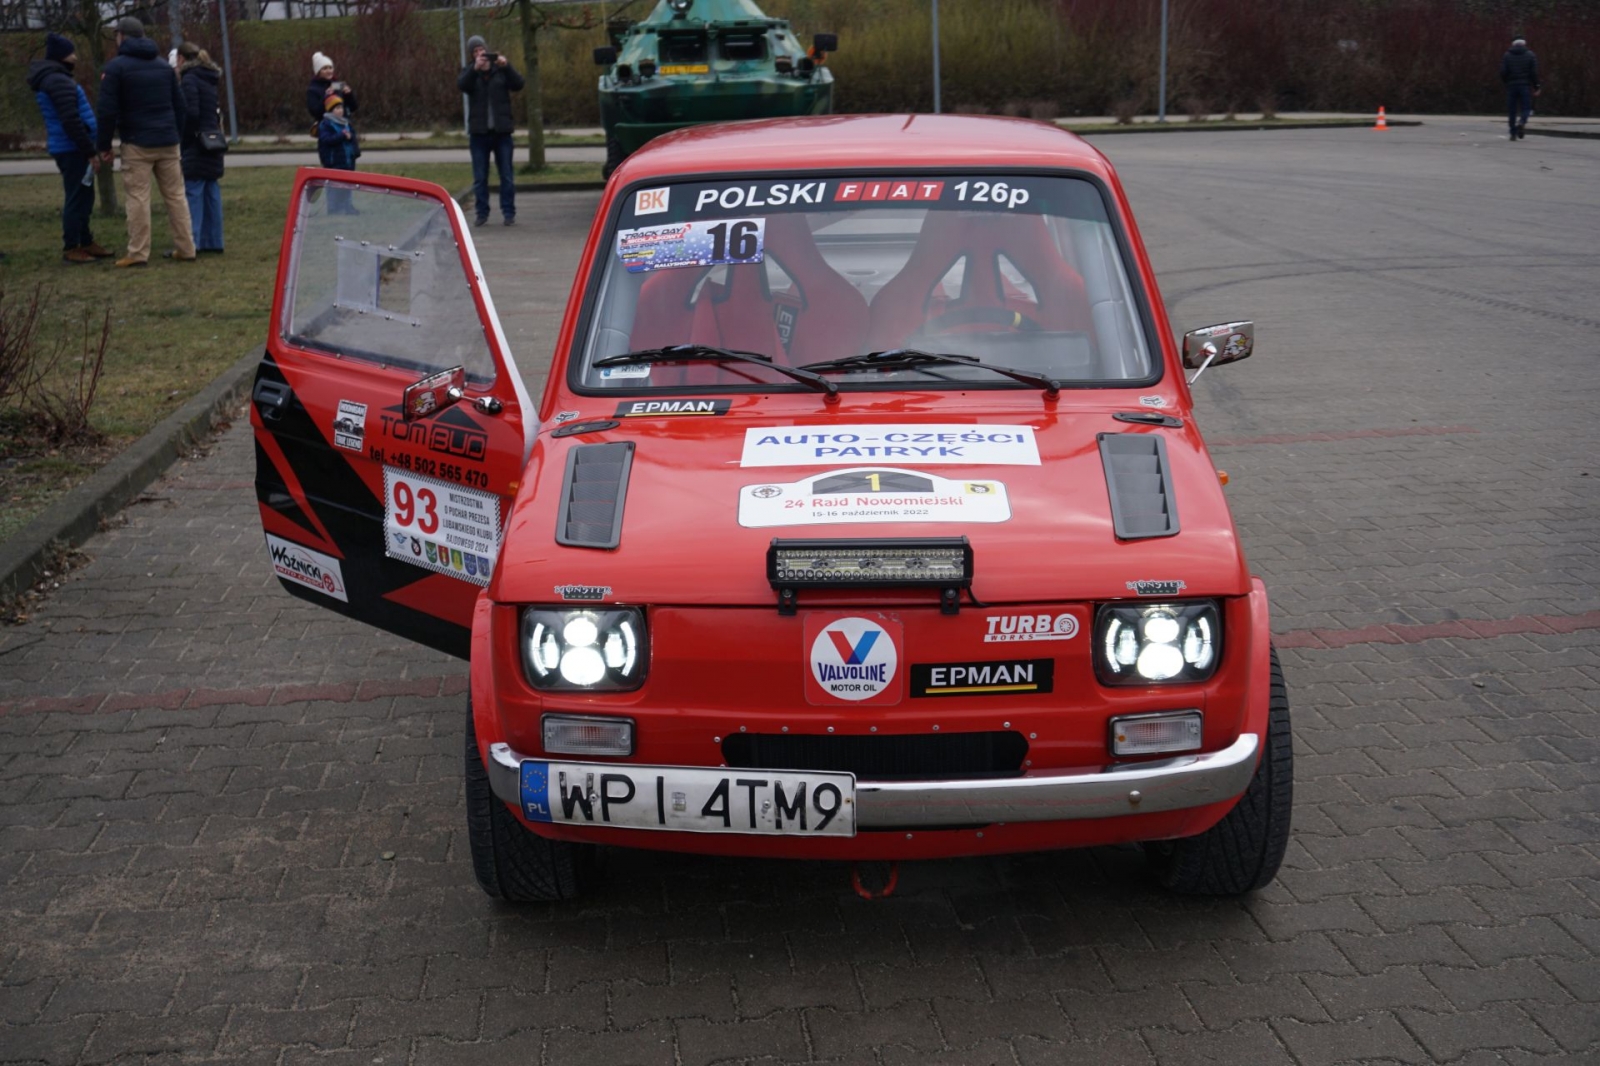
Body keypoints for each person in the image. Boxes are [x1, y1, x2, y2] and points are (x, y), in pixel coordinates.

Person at [96, 16, 195, 267]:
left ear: (122, 37)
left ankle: (138, 253)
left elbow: (107, 110)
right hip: (168, 141)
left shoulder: (115, 68)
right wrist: (176, 135)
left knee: (138, 197)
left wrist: (104, 145)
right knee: (176, 196)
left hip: (136, 142)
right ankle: (186, 248)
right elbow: (180, 106)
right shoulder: (163, 66)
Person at [27, 33, 112, 264]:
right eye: (71, 53)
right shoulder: (57, 81)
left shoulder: (56, 78)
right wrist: (89, 151)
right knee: (76, 197)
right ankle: (72, 246)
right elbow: (70, 120)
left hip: (73, 147)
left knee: (84, 196)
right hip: (72, 148)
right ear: (61, 56)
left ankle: (85, 240)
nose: (75, 57)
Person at [458, 35, 524, 227]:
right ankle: (482, 213)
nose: (480, 54)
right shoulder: (470, 73)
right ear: (472, 55)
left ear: (487, 50)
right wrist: (475, 69)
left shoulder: (500, 71)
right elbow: (462, 84)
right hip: (479, 134)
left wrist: (507, 66)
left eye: (481, 50)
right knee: (480, 178)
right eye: (475, 52)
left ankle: (509, 212)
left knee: (506, 175)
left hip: (501, 133)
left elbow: (519, 83)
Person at [177, 41, 224, 254]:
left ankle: (192, 241)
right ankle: (213, 241)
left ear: (181, 58)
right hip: (212, 141)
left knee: (194, 191)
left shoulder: (189, 79)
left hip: (197, 143)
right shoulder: (209, 78)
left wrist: (185, 139)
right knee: (211, 190)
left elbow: (191, 113)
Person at [1500, 36, 1539, 142]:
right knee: (1526, 108)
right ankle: (1522, 122)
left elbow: (1503, 72)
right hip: (1525, 85)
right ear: (1524, 44)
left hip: (1511, 86)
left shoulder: (1507, 55)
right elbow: (1534, 73)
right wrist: (1537, 86)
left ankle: (1513, 133)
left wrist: (1506, 82)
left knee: (1512, 110)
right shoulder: (1530, 55)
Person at [306, 52, 356, 133]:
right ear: (318, 72)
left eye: (330, 68)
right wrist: (325, 97)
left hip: (345, 127)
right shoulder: (313, 89)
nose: (329, 71)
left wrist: (349, 94)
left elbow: (353, 107)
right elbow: (315, 112)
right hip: (327, 129)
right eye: (325, 68)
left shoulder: (338, 85)